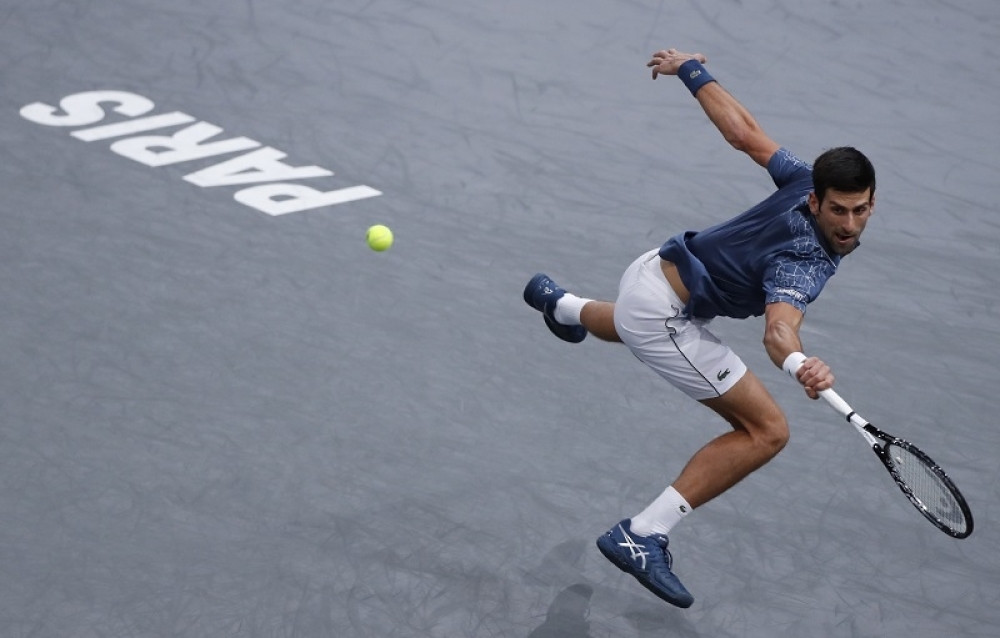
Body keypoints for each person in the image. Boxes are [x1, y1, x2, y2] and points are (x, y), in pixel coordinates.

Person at [523, 47, 876, 608]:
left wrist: (690, 68)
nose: (849, 224)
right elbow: (778, 330)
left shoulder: (804, 179)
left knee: (631, 326)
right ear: (817, 200)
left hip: (652, 273)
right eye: (839, 211)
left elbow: (745, 132)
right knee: (767, 431)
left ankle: (559, 303)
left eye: (861, 210)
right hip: (664, 313)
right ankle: (642, 534)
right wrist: (798, 363)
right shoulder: (805, 261)